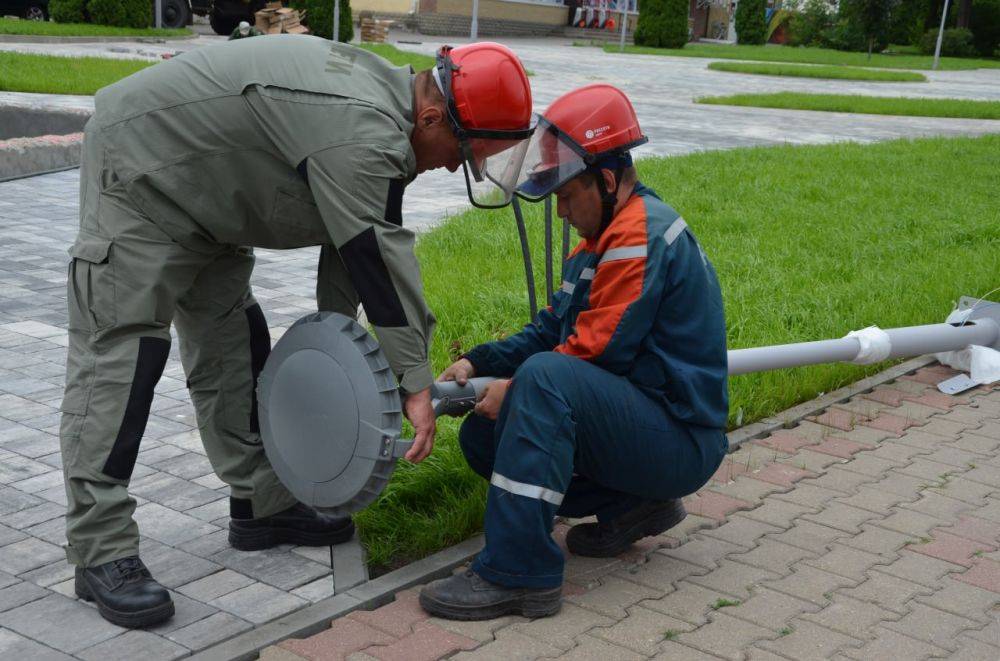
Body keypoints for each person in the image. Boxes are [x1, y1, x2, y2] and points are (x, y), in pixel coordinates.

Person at [61, 36, 533, 628]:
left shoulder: (393, 113)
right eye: (461, 154)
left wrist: (350, 361)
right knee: (125, 360)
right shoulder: (364, 130)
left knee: (234, 344)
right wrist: (414, 384)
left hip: (207, 197)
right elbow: (374, 256)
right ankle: (99, 548)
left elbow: (348, 254)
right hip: (140, 172)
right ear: (434, 115)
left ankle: (263, 504)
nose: (451, 166)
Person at [418, 84, 729, 621]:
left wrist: (513, 387)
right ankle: (633, 507)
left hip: (681, 438)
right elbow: (550, 331)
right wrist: (479, 362)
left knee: (542, 381)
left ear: (606, 180)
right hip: (651, 426)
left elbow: (592, 354)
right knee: (483, 438)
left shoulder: (640, 237)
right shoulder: (603, 240)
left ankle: (518, 573)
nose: (559, 211)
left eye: (565, 195)